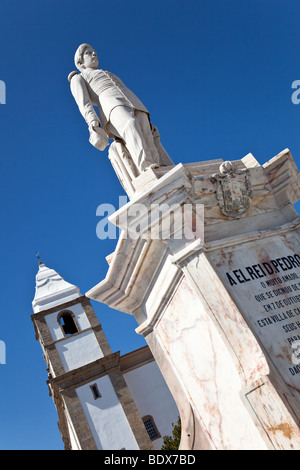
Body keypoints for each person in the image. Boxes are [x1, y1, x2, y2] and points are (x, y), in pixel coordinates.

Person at [69, 44, 171, 173]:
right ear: (80, 62)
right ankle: (146, 167)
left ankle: (159, 168)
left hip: (132, 100)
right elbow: (83, 102)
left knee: (147, 134)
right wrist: (92, 120)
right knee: (130, 124)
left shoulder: (107, 72)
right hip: (109, 102)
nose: (94, 54)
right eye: (88, 53)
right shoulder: (78, 77)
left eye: (94, 52)